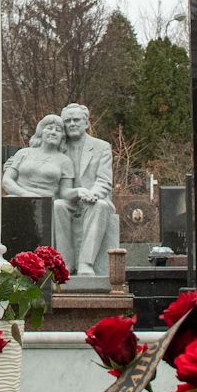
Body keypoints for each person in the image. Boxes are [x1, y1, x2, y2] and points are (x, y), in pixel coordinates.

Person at [60, 103, 117, 276]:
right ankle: (64, 264)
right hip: (68, 199)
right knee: (56, 206)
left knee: (99, 205)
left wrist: (92, 194)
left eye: (76, 120)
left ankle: (86, 263)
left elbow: (104, 180)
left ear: (86, 123)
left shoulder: (101, 147)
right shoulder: (58, 147)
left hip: (93, 198)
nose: (72, 124)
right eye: (67, 121)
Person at [3, 114, 75, 199]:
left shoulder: (65, 161)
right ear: (41, 131)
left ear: (62, 137)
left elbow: (65, 191)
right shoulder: (23, 153)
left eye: (58, 130)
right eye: (49, 128)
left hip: (47, 204)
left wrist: (79, 192)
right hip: (20, 198)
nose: (53, 132)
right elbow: (7, 180)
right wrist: (25, 194)